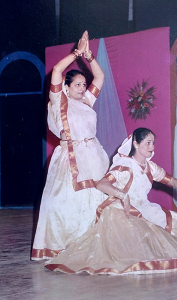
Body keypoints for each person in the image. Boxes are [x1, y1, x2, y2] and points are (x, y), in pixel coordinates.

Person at [45, 128, 177, 274]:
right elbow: (101, 184)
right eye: (147, 143)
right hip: (122, 209)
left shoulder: (149, 167)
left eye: (153, 143)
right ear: (135, 144)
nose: (151, 147)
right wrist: (123, 196)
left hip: (145, 207)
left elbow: (169, 179)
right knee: (139, 242)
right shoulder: (124, 165)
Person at [31, 31, 109, 260]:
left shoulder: (86, 102)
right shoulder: (59, 100)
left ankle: (93, 245)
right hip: (69, 159)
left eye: (84, 84)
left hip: (93, 156)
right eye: (77, 85)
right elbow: (56, 71)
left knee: (95, 198)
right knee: (64, 202)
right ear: (66, 87)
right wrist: (76, 53)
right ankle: (66, 246)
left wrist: (89, 56)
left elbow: (100, 78)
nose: (83, 88)